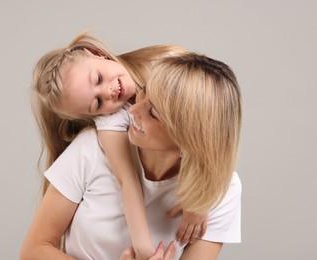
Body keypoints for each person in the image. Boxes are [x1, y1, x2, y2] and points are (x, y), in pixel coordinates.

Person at [20, 51, 242, 259]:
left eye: (152, 112)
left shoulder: (224, 191)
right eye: (144, 90)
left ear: (189, 138)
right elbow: (33, 252)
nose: (132, 110)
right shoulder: (91, 150)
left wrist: (203, 195)